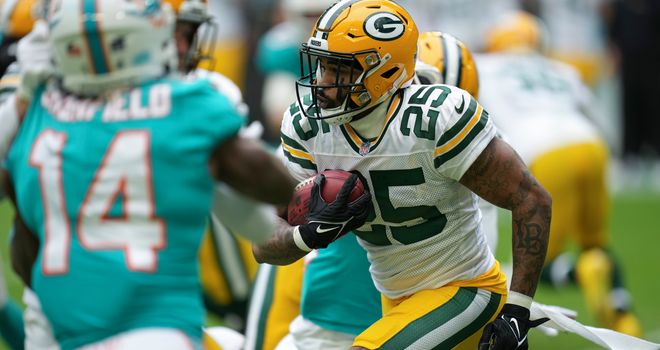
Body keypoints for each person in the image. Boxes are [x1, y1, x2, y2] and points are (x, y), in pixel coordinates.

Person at [253, 1, 553, 349]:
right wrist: (307, 236)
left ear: (385, 73)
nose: (324, 82)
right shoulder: (310, 129)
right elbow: (263, 242)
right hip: (394, 299)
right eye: (322, 66)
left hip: (465, 291)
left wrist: (518, 311)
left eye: (340, 69)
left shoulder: (435, 119)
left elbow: (531, 199)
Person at [3, 0, 299, 348]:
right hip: (155, 324)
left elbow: (24, 253)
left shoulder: (35, 112)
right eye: (178, 32)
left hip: (59, 326)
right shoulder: (192, 101)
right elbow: (258, 221)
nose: (184, 47)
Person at [477, 10, 642, 337]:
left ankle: (580, 273)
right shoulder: (560, 68)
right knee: (596, 244)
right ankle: (625, 320)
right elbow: (593, 113)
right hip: (591, 146)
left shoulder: (485, 67)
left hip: (545, 152)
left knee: (537, 263)